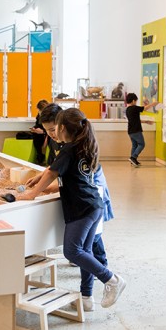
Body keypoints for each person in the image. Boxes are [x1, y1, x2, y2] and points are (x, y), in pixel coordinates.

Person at [17, 108, 126, 309]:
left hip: (81, 209)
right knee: (85, 252)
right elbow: (65, 177)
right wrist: (41, 184)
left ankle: (111, 279)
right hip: (94, 205)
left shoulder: (68, 149)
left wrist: (32, 194)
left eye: (55, 128)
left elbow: (52, 172)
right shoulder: (85, 144)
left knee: (72, 251)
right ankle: (86, 298)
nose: (53, 132)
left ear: (63, 127)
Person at [125, 93, 158, 167]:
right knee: (142, 144)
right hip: (136, 130)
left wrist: (146, 122)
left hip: (131, 131)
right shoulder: (134, 108)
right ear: (133, 101)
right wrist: (153, 104)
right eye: (136, 101)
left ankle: (133, 160)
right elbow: (144, 108)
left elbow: (135, 120)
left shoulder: (128, 110)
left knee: (134, 145)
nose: (136, 103)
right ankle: (133, 157)